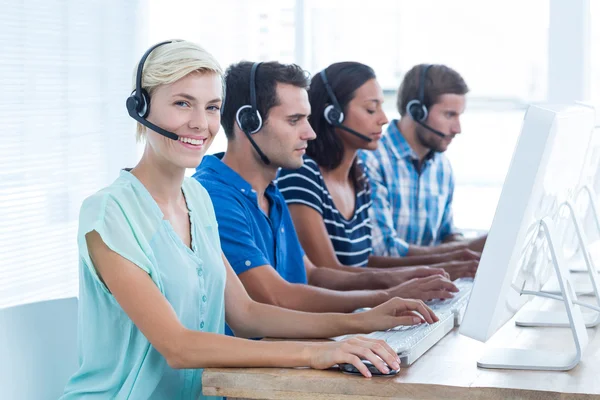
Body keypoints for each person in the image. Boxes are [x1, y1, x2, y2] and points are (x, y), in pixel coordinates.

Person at [60, 41, 438, 399]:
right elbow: (178, 346)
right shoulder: (110, 213)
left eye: (211, 108)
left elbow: (246, 314)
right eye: (181, 103)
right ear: (141, 107)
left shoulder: (197, 200)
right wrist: (314, 353)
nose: (200, 124)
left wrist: (363, 322)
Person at [194, 61, 458, 322]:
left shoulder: (270, 193)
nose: (309, 133)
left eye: (307, 119)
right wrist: (383, 297)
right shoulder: (214, 197)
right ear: (248, 122)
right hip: (255, 359)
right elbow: (275, 296)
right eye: (294, 120)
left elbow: (312, 274)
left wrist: (400, 280)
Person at [277, 62, 478, 281]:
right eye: (371, 109)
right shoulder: (302, 176)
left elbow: (366, 262)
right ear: (333, 114)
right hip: (338, 313)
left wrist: (435, 272)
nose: (383, 118)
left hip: (362, 310)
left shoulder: (358, 176)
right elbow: (327, 275)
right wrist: (416, 278)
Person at [358, 64, 487, 265]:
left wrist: (469, 250)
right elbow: (385, 250)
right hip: (391, 290)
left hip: (435, 286)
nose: (457, 128)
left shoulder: (442, 167)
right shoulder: (371, 160)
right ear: (416, 111)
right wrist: (467, 248)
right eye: (449, 115)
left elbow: (446, 234)